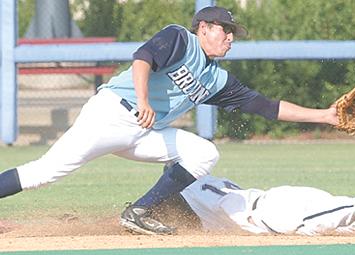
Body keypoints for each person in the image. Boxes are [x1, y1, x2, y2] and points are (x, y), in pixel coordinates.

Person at [0, 6, 337, 235]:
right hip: (111, 115)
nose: (231, 37)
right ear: (204, 28)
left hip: (145, 132)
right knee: (43, 173)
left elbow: (267, 107)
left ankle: (140, 211)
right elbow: (142, 59)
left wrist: (325, 116)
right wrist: (144, 100)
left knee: (204, 153)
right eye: (226, 30)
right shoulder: (180, 38)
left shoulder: (217, 79)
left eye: (234, 32)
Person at [157, 137, 355, 235]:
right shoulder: (198, 184)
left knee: (319, 222)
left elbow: (172, 206)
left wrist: (143, 210)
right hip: (277, 202)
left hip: (272, 213)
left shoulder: (187, 189)